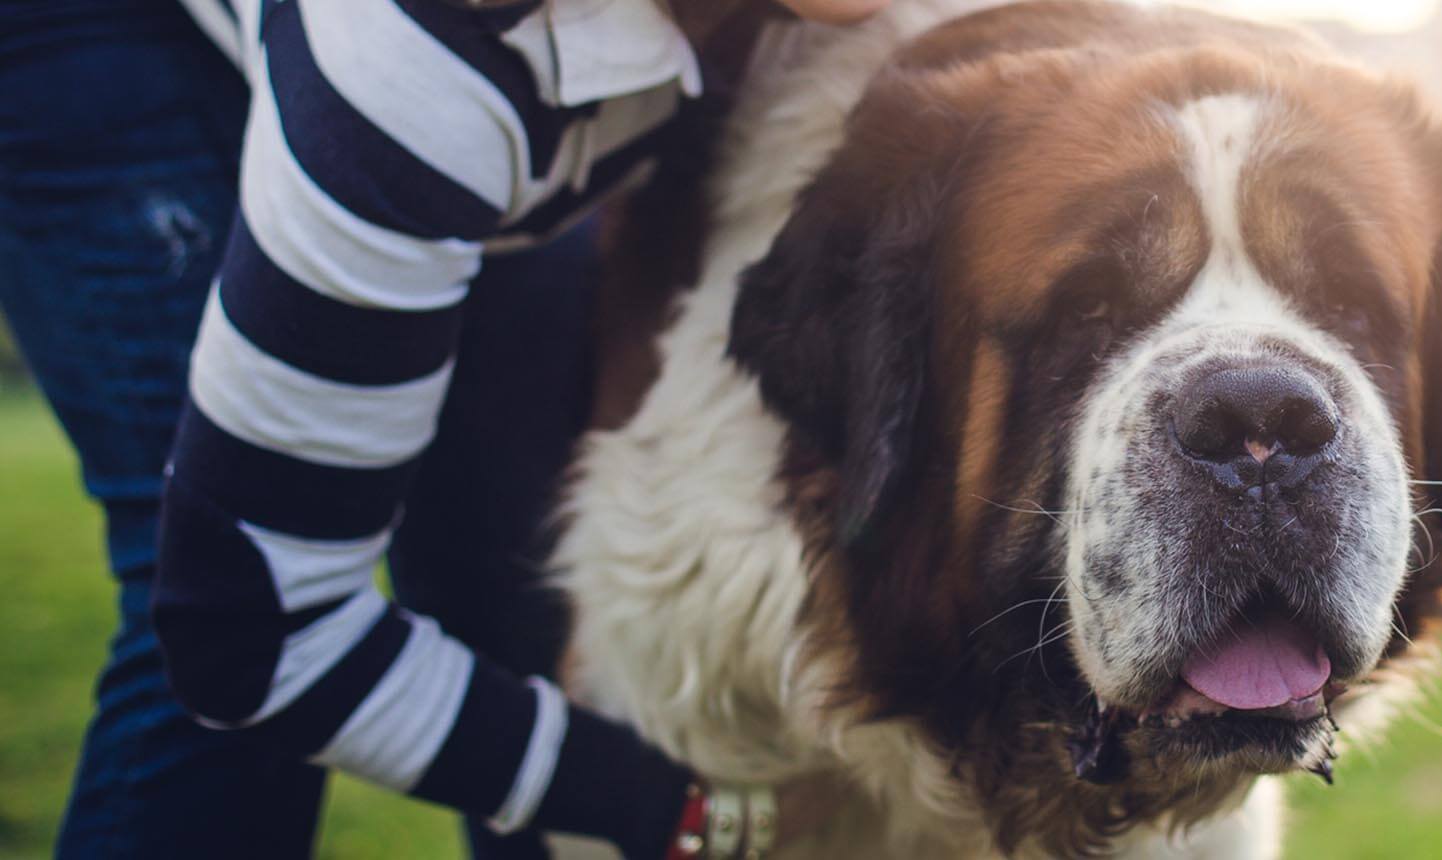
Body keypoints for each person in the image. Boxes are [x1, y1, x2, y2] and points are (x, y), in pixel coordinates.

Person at [0, 0, 885, 856]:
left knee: (515, 559)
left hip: (519, 67)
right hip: (98, 34)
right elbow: (256, 632)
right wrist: (674, 810)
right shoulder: (410, 79)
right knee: (213, 627)